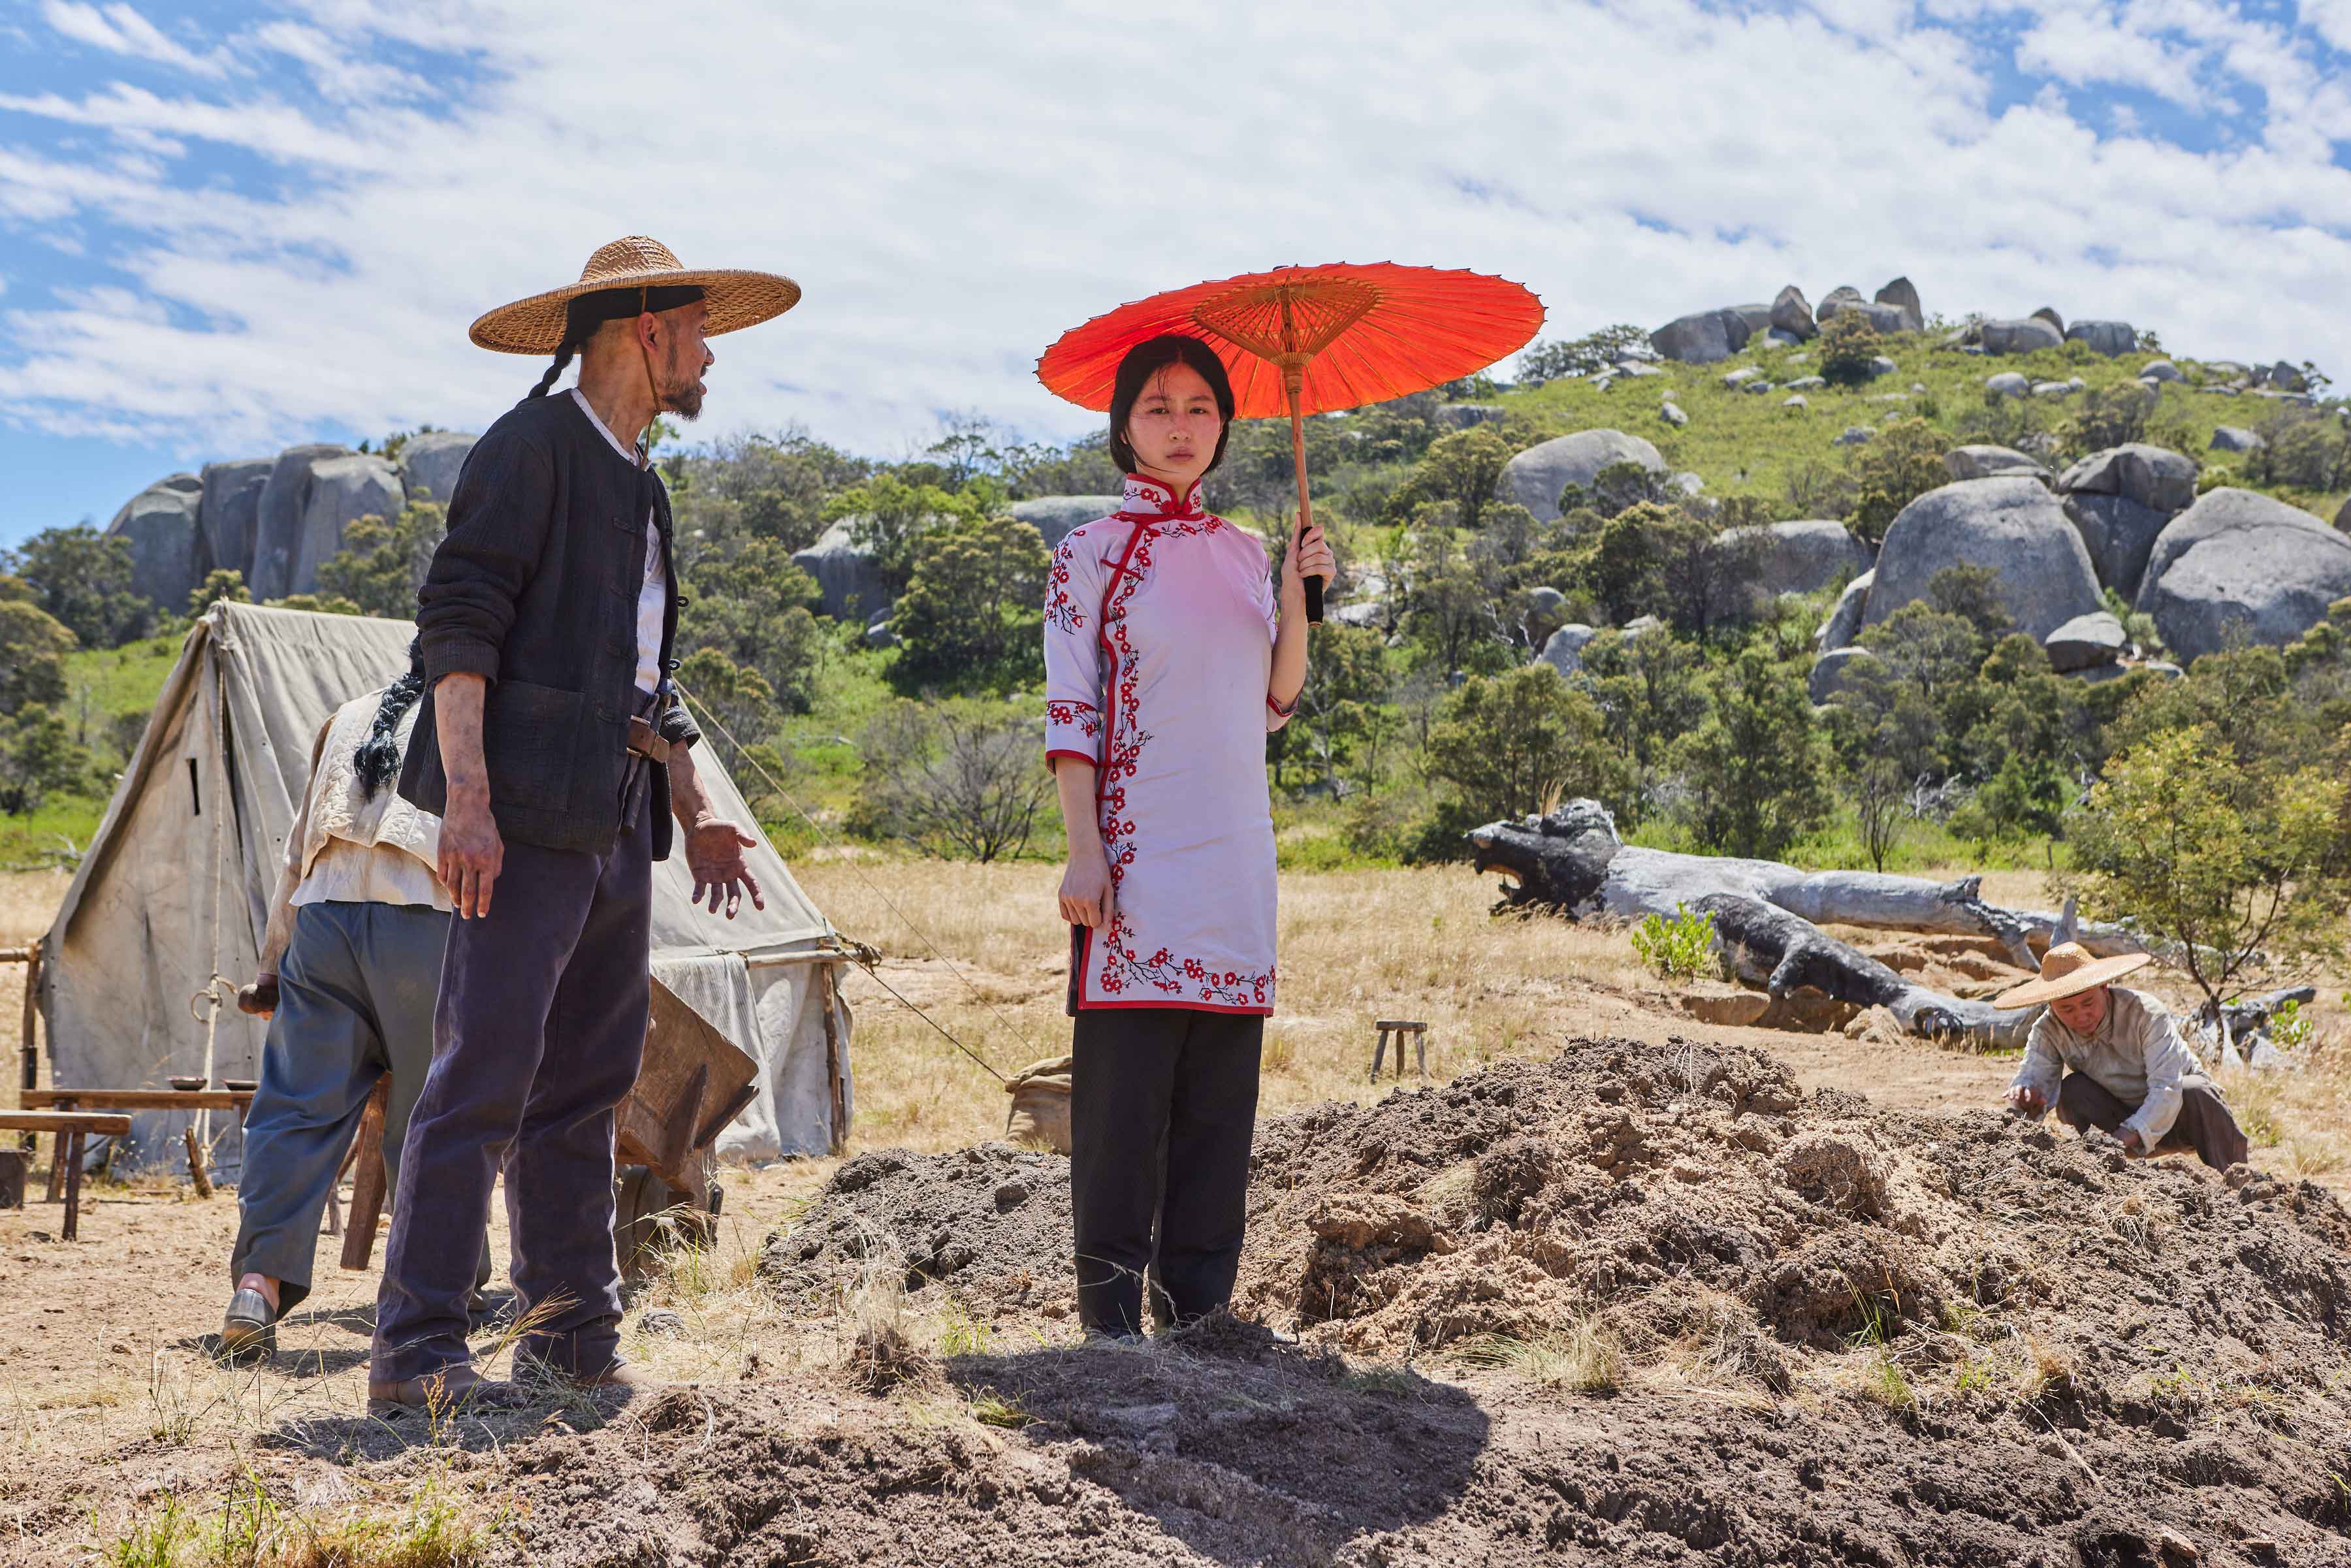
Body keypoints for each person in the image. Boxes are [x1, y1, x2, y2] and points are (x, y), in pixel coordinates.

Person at [368, 237, 792, 1413]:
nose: (711, 354)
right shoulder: (532, 448)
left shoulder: (645, 487)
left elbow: (647, 681)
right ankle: (416, 1349)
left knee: (590, 1084)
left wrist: (696, 810)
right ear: (644, 332)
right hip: (519, 819)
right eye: (700, 329)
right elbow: (459, 628)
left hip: (613, 823)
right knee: (484, 1075)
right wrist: (468, 801)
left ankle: (570, 1337)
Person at [1042, 333, 1334, 1340]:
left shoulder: (1251, 553)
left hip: (1235, 860)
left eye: (1202, 406)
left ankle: (1204, 1327)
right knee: (1123, 1122)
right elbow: (1071, 713)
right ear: (1124, 422)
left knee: (1219, 1116)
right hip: (1135, 864)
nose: (1181, 425)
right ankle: (1112, 1338)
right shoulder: (1088, 553)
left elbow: (1275, 700)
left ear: (1226, 424)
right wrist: (1085, 851)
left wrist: (1301, 599)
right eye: (1160, 406)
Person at [218, 660, 495, 1358]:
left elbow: (296, 853)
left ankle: (257, 1287)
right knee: (430, 1117)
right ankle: (442, 1292)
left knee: (293, 1110)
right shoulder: (476, 714)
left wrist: (270, 967)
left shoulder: (344, 716)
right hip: (425, 922)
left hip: (322, 925)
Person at [1998, 942, 2250, 1171]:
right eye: (2067, 1009)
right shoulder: (2048, 1030)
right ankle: (2104, 1172)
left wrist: (2119, 1139)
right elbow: (2033, 1075)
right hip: (2115, 1117)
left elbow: (2167, 1089)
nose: (2080, 1016)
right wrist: (2025, 1098)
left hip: (2183, 1118)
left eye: (2088, 1003)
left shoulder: (2145, 1013)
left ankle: (2240, 1180)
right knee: (2073, 1090)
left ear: (2104, 988)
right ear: (2051, 1005)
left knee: (2194, 1089)